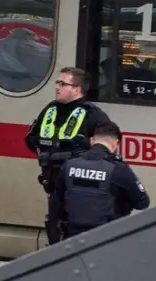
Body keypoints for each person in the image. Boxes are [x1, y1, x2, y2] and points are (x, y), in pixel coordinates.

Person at [24, 67, 113, 246]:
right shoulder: (50, 109)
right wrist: (46, 148)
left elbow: (108, 148)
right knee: (54, 227)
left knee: (76, 230)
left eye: (63, 83)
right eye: (57, 83)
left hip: (80, 188)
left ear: (77, 89)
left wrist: (81, 151)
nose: (57, 87)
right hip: (53, 182)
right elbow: (30, 139)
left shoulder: (93, 114)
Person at [51, 122, 149, 239]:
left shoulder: (69, 164)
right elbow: (142, 203)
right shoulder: (118, 168)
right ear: (116, 144)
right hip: (105, 239)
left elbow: (57, 201)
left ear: (92, 140)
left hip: (72, 237)